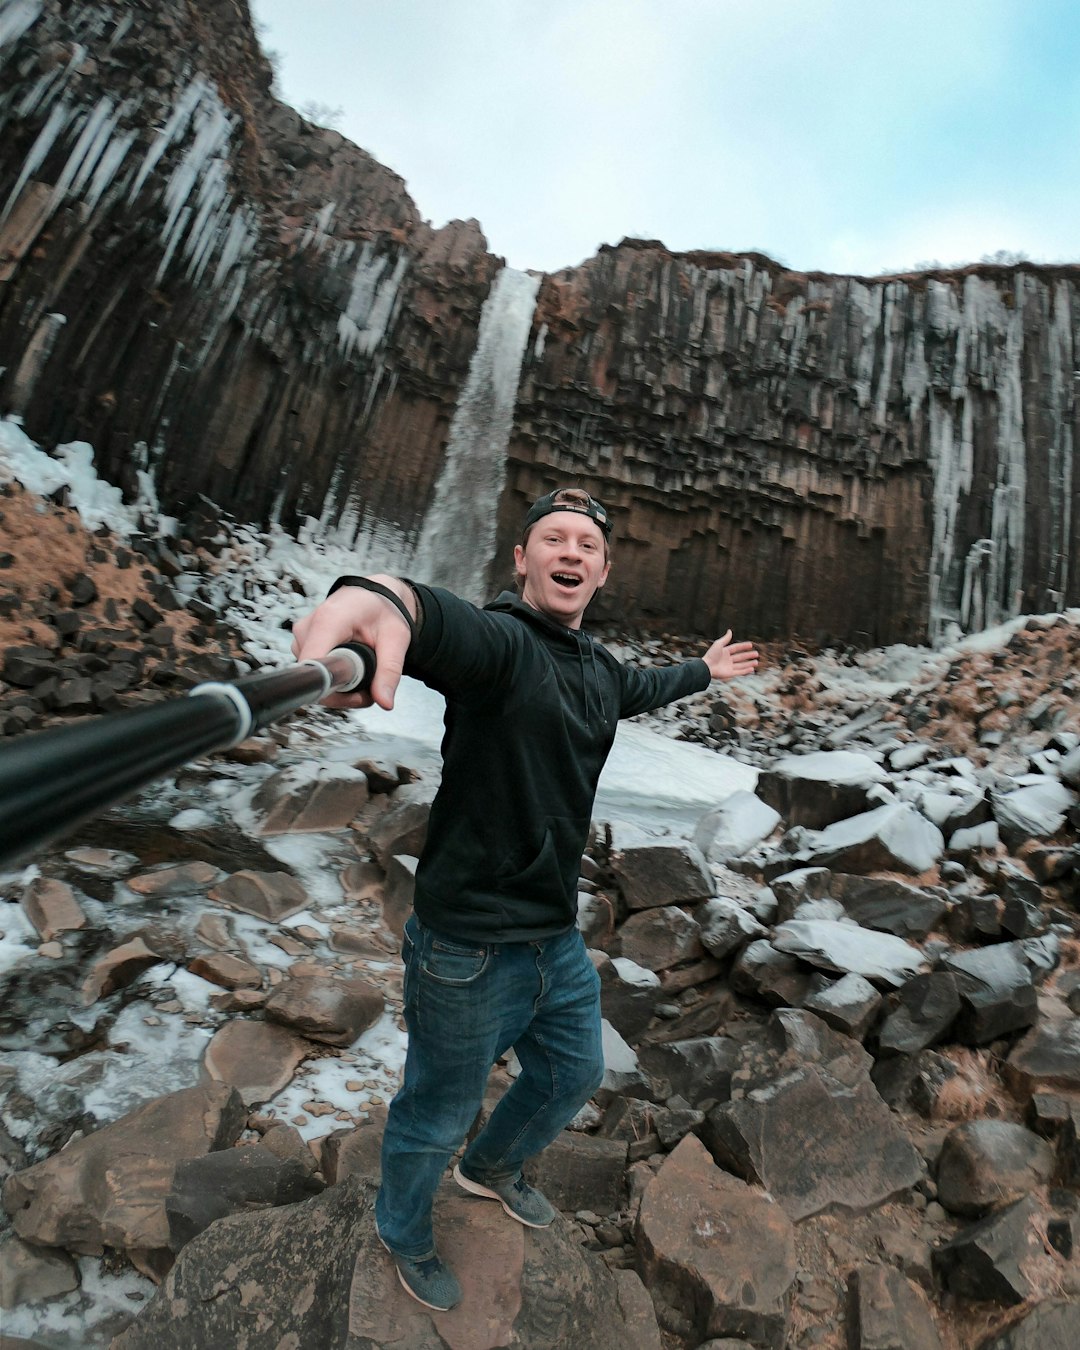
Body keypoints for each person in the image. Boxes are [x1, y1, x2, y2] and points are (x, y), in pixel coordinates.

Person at [291, 486, 759, 1311]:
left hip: (553, 936)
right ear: (523, 558)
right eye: (553, 538)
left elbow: (640, 686)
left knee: (573, 1073)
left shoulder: (599, 670)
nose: (570, 551)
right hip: (465, 945)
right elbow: (433, 621)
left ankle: (491, 1168)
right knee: (435, 1113)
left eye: (586, 543)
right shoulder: (503, 645)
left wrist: (706, 672)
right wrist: (375, 599)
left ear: (602, 570)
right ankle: (402, 1233)